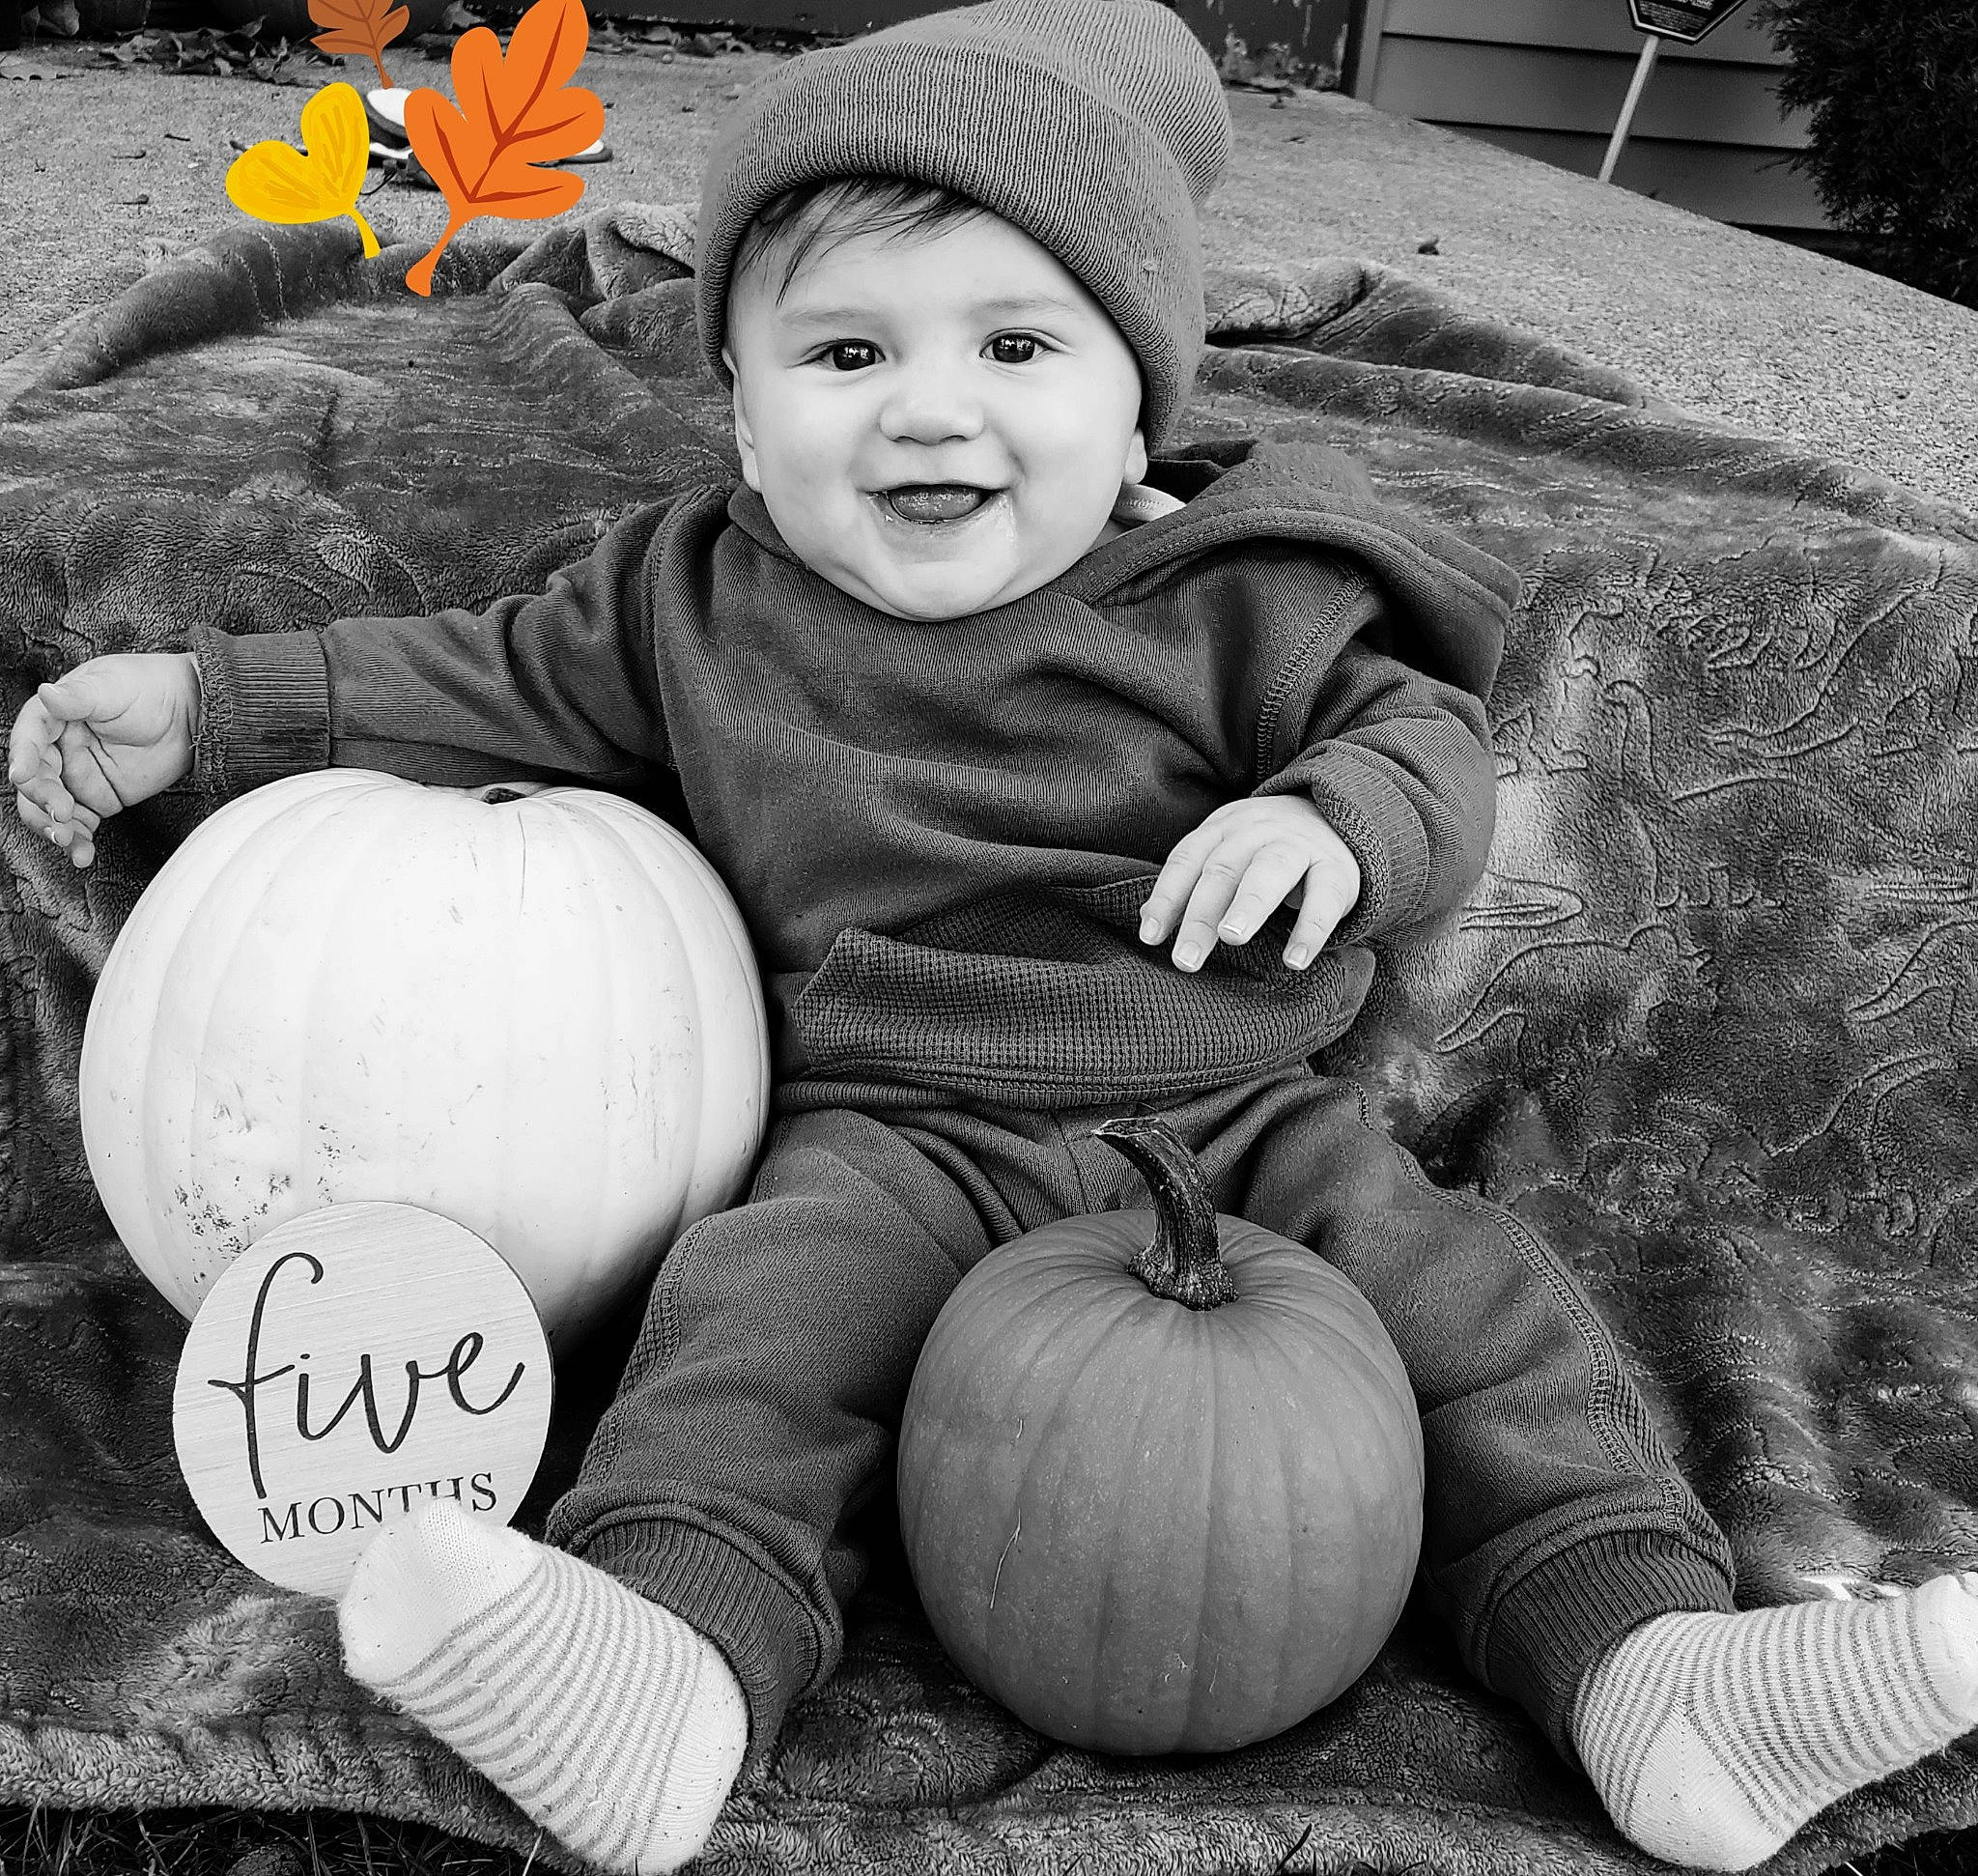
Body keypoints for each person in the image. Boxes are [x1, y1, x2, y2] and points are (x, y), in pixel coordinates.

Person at [12, 2, 1978, 1870]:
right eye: (844, 355)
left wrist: (1329, 820)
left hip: (1236, 1113)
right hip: (883, 1118)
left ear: (1140, 404)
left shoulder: (1231, 596)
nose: (926, 411)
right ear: (747, 412)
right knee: (751, 1336)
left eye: (1016, 351)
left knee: (1478, 1321)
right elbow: (472, 675)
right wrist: (208, 701)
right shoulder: (689, 596)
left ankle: (1647, 1665)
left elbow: (1423, 741)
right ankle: (664, 1663)